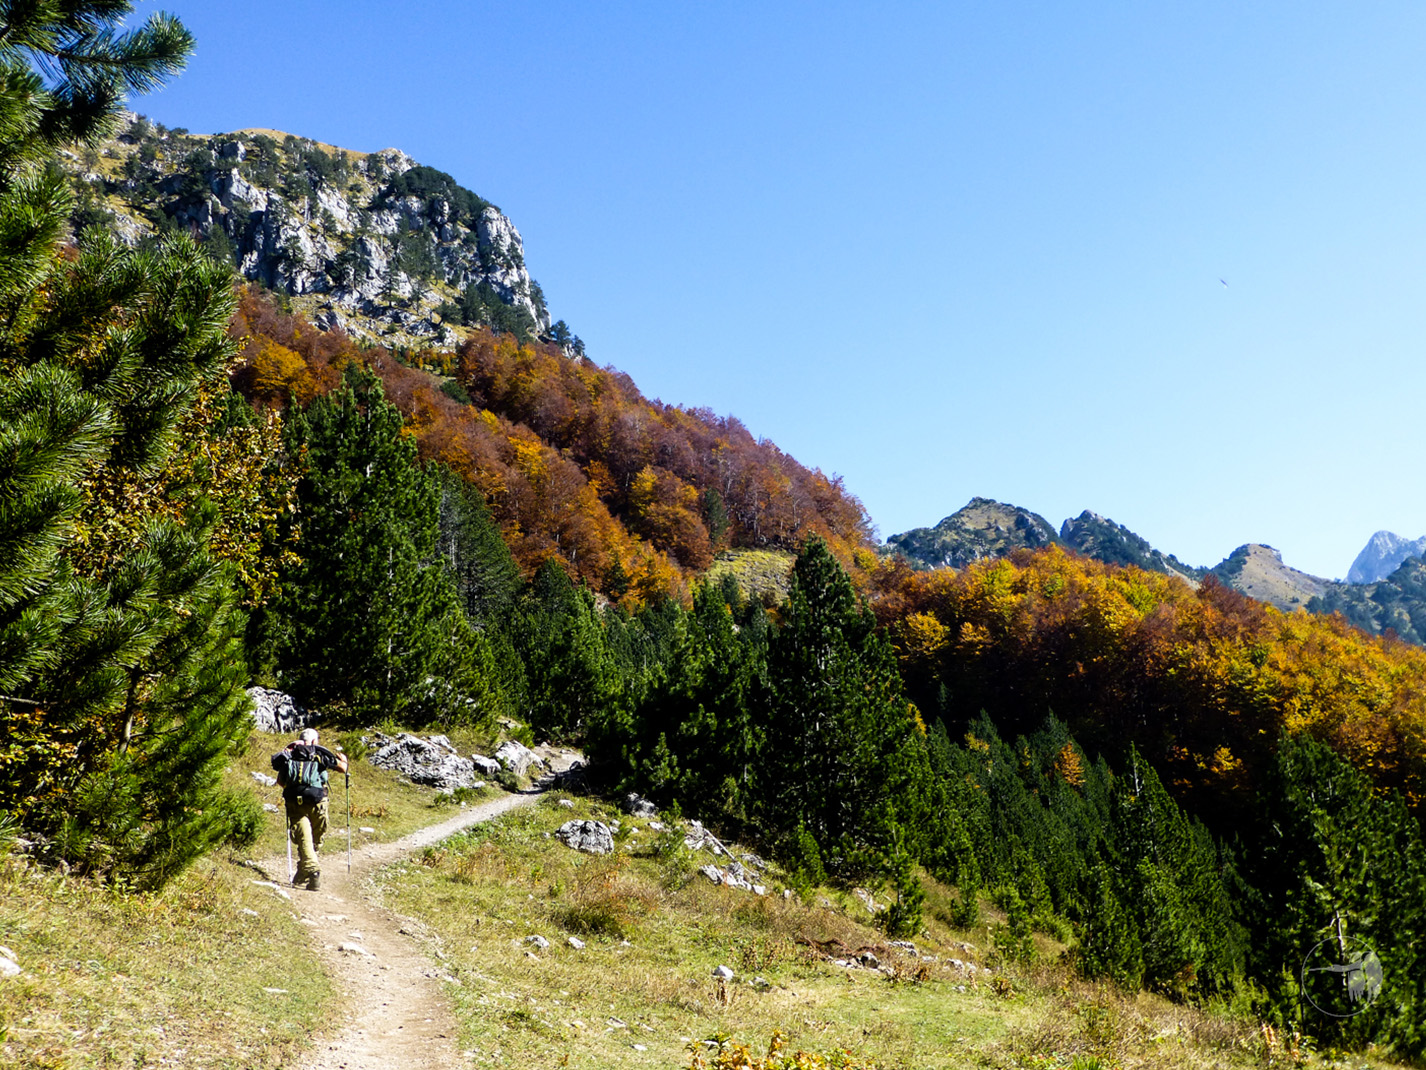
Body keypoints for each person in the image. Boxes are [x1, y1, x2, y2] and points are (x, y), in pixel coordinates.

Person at [271, 728, 348, 891]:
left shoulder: (289, 755)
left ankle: (302, 870)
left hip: (295, 803)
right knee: (314, 839)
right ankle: (313, 873)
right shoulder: (318, 754)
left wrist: (294, 788)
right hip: (318, 802)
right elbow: (342, 769)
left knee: (304, 838)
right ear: (314, 741)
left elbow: (280, 781)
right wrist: (345, 761)